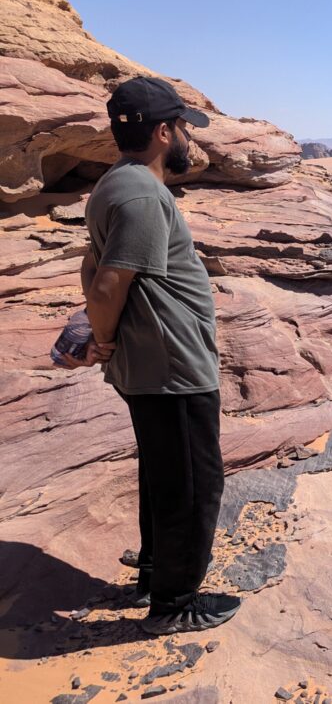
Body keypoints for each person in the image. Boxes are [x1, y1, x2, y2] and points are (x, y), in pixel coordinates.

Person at [61, 77, 240, 634]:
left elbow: (95, 267)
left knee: (167, 471)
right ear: (163, 132)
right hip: (171, 366)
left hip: (156, 362)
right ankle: (175, 603)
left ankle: (156, 571)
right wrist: (104, 338)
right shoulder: (140, 195)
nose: (188, 137)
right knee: (193, 479)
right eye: (183, 127)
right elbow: (111, 281)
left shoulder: (118, 184)